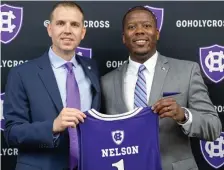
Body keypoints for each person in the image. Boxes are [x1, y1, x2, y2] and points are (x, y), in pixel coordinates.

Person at [101, 6, 222, 170]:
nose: (139, 31)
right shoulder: (106, 82)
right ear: (124, 37)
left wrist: (183, 115)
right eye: (131, 27)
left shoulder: (187, 71)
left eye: (147, 26)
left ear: (157, 33)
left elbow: (213, 127)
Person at [3, 2, 101, 170]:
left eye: (75, 25)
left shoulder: (92, 69)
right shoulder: (22, 73)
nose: (68, 30)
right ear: (50, 29)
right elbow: (12, 133)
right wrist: (53, 126)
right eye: (61, 23)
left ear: (83, 32)